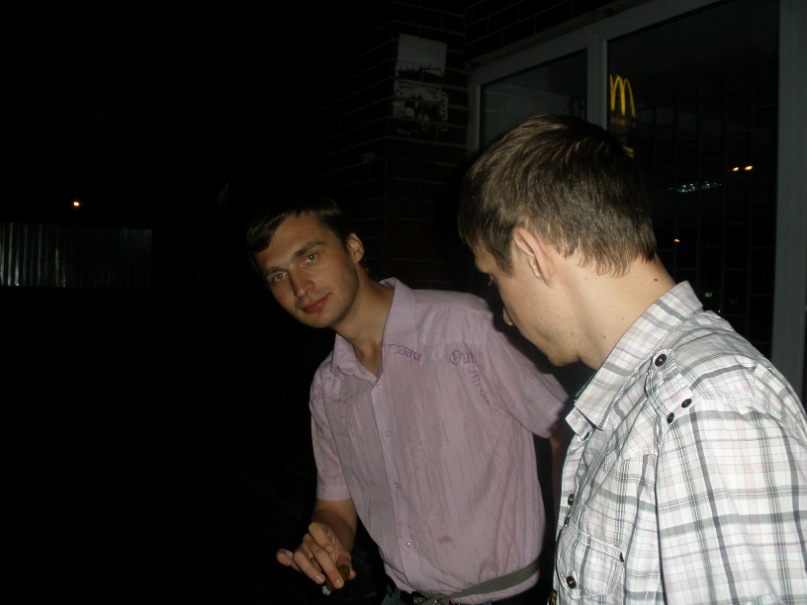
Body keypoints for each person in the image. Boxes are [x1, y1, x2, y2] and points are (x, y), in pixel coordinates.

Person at [456, 113, 807, 604]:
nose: (506, 316)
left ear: (533, 255)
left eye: (496, 279)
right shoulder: (644, 396)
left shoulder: (703, 407)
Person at [245, 195, 572, 604]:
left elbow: (568, 431)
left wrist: (570, 553)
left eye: (310, 257)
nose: (299, 287)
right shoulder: (328, 386)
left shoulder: (468, 327)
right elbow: (335, 504)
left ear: (353, 248)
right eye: (278, 276)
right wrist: (326, 539)